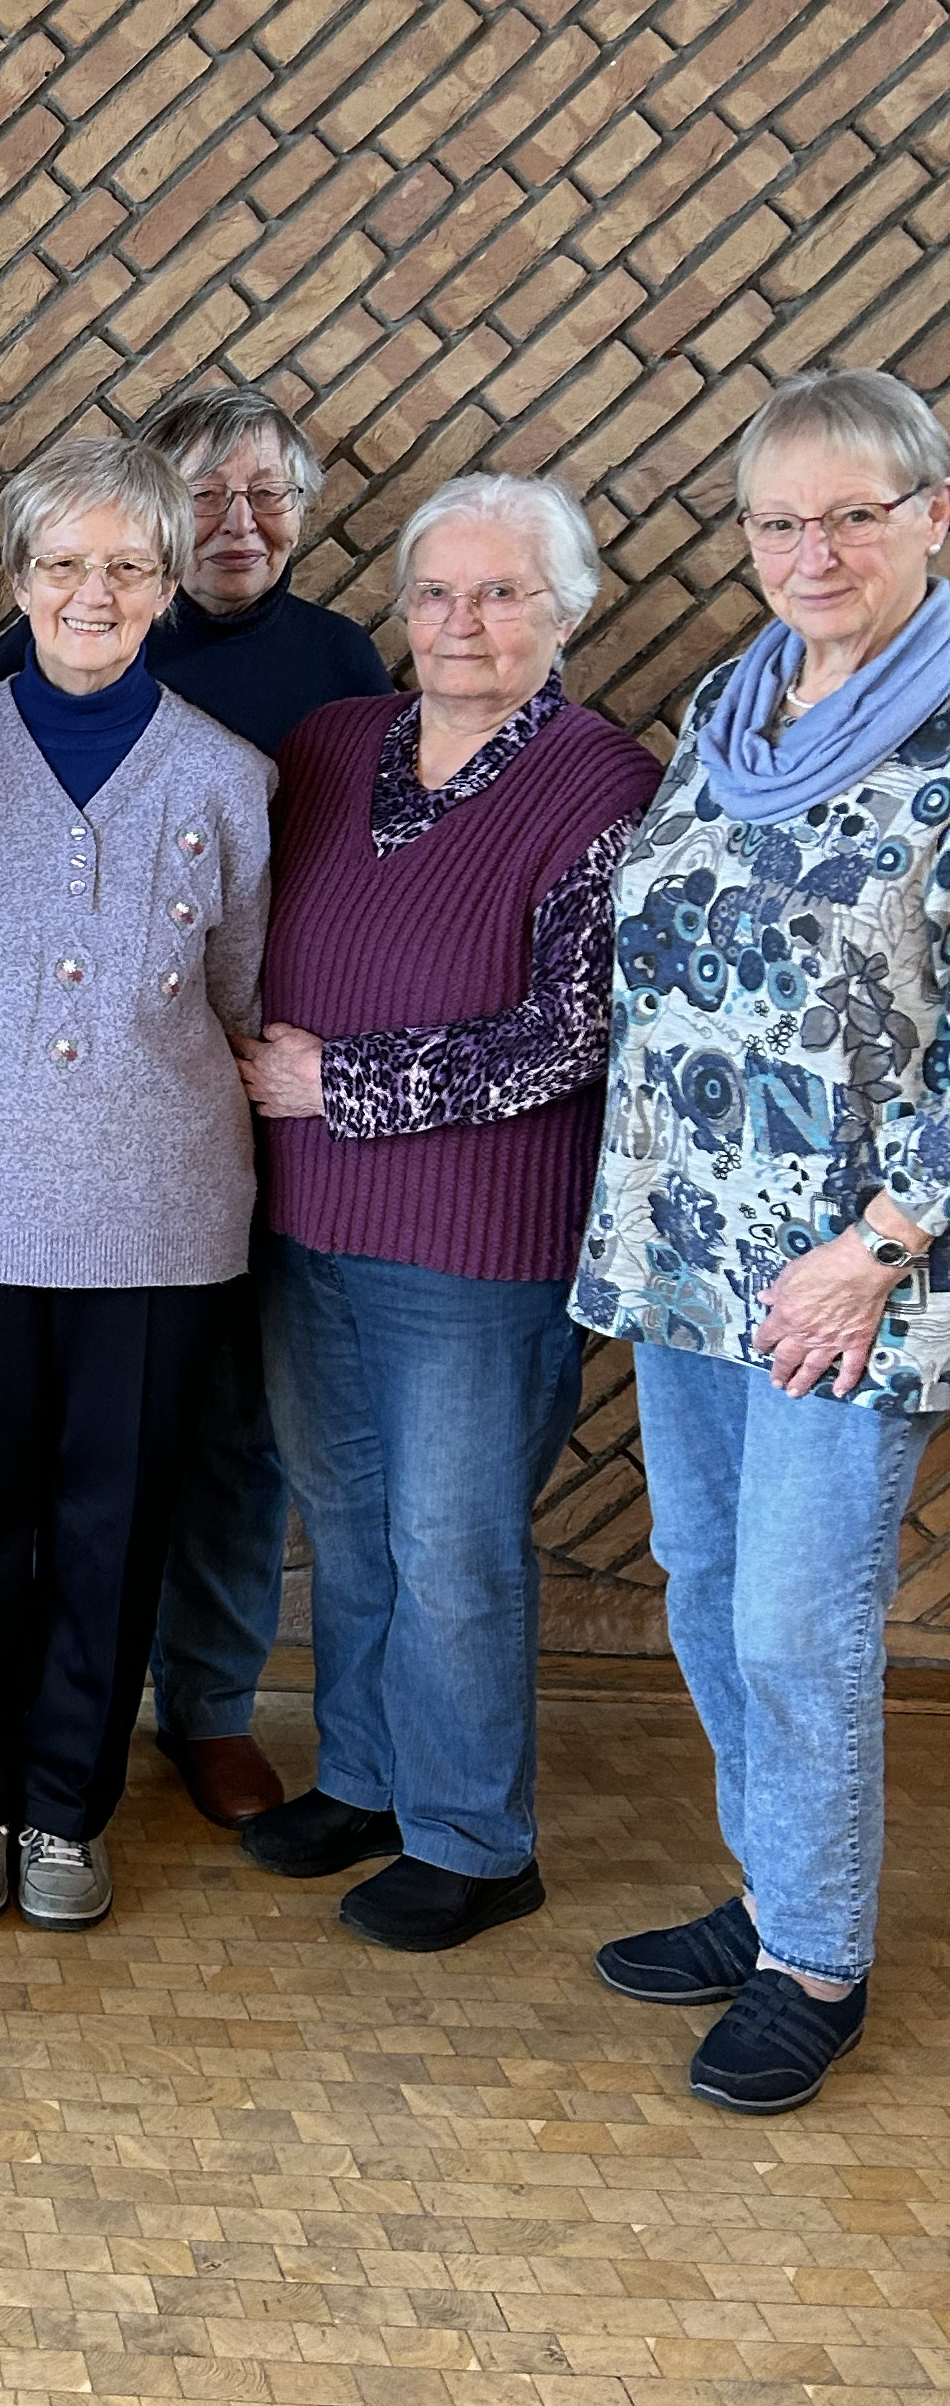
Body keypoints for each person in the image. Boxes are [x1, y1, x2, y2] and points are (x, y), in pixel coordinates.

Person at [573, 367, 950, 2115]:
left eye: (850, 516)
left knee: (802, 1621)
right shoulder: (740, 704)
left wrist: (876, 1241)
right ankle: (774, 1890)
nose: (813, 549)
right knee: (711, 1589)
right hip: (686, 1243)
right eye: (779, 521)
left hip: (843, 1274)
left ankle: (817, 1959)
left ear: (928, 518)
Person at [0, 436, 271, 1932]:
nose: (93, 590)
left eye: (125, 565)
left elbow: (236, 990)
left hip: (156, 1218)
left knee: (115, 1519)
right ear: (17, 576)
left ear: (163, 585)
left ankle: (65, 1807)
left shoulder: (230, 778)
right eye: (64, 563)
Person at [232, 475, 658, 1952]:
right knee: (345, 1518)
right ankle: (363, 1776)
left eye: (499, 594)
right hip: (302, 1217)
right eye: (434, 592)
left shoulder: (603, 783)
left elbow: (568, 1030)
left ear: (563, 612)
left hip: (478, 1239)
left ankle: (476, 1837)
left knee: (452, 1535)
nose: (460, 623)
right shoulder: (333, 745)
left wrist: (334, 1080)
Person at [0, 375, 393, 1830]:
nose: (236, 521)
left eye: (267, 493)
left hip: (282, 1096)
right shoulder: (44, 649)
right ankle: (35, 1722)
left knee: (234, 1430)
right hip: (92, 1124)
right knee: (64, 1441)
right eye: (203, 495)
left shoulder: (343, 666)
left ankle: (205, 1703)